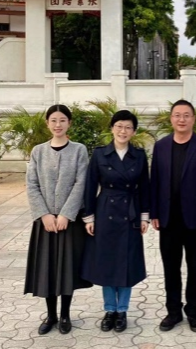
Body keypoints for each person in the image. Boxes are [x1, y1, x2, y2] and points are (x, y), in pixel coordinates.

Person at [151, 100, 196, 333]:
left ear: (193, 119)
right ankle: (173, 311)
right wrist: (154, 212)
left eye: (186, 115)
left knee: (195, 267)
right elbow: (155, 181)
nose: (181, 119)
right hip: (168, 220)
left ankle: (193, 310)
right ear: (171, 118)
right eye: (177, 115)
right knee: (170, 268)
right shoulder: (161, 146)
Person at [24, 105, 91, 336]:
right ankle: (51, 315)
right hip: (45, 223)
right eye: (53, 120)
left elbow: (81, 183)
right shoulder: (38, 151)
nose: (58, 124)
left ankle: (65, 315)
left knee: (67, 268)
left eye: (62, 120)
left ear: (69, 123)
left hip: (69, 221)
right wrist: (44, 214)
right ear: (47, 123)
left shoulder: (79, 150)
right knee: (48, 268)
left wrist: (66, 214)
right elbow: (32, 184)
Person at [82, 111, 150, 333]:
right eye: (119, 126)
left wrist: (144, 216)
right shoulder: (100, 154)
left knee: (127, 262)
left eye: (128, 127)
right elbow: (90, 186)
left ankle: (122, 310)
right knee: (107, 262)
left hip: (130, 213)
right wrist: (89, 217)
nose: (123, 131)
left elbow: (145, 187)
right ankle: (109, 309)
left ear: (134, 131)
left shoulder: (139, 155)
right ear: (112, 128)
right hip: (105, 212)